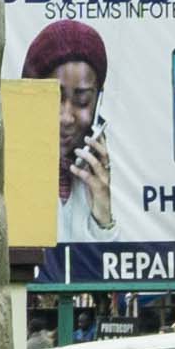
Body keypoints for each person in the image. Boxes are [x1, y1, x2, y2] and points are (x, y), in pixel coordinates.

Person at [21, 16, 114, 235]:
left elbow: (104, 266)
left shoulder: (96, 172)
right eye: (54, 98)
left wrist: (103, 220)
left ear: (98, 102)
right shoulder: (5, 171)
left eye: (82, 101)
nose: (66, 117)